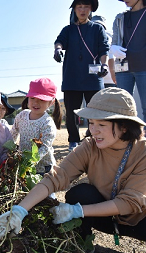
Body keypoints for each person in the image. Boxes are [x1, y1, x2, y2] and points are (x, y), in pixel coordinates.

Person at [0, 88, 146, 253]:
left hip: (139, 222)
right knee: (80, 194)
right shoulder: (90, 146)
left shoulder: (142, 153)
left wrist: (76, 211)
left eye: (101, 124)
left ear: (125, 126)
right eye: (91, 123)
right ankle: (83, 246)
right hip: (106, 217)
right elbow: (56, 177)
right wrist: (20, 210)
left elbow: (130, 203)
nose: (94, 130)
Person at [54, 0, 109, 151]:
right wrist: (57, 50)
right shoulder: (68, 29)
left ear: (91, 9)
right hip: (72, 76)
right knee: (72, 111)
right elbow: (59, 42)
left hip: (93, 77)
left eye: (86, 6)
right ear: (74, 9)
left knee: (95, 111)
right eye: (79, 6)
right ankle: (73, 140)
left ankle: (95, 138)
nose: (83, 10)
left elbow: (104, 49)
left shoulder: (97, 29)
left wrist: (104, 64)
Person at [11, 78, 62, 175]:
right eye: (32, 98)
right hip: (23, 164)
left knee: (45, 188)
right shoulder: (22, 115)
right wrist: (9, 151)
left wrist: (31, 162)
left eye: (41, 100)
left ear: (51, 102)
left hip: (43, 167)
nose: (36, 103)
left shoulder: (47, 123)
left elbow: (45, 147)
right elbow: (13, 133)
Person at [111, 0, 146, 126]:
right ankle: (128, 140)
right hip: (123, 69)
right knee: (123, 109)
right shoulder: (120, 18)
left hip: (144, 67)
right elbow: (114, 41)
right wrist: (113, 48)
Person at [91, 15, 117, 87]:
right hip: (109, 78)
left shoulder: (105, 35)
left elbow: (109, 54)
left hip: (97, 78)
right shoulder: (110, 35)